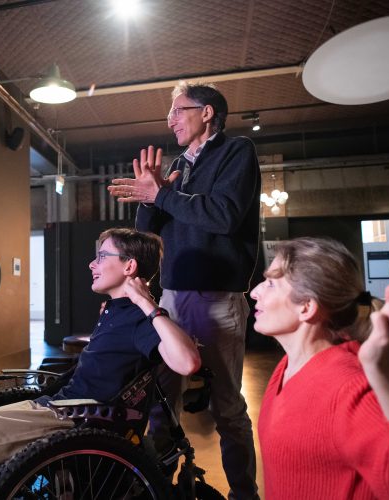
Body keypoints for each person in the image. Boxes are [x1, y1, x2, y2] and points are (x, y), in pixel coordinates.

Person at [0, 228, 201, 500]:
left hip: (78, 418)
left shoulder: (139, 318)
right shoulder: (115, 311)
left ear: (129, 266)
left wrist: (147, 303)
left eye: (102, 256)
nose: (92, 264)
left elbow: (188, 362)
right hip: (60, 406)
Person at [108, 81, 260, 499]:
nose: (170, 120)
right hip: (172, 299)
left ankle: (244, 494)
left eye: (178, 110)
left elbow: (224, 215)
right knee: (161, 401)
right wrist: (149, 198)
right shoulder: (179, 166)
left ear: (206, 113)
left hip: (218, 299)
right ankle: (161, 488)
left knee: (227, 408)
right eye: (169, 114)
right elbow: (148, 233)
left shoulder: (237, 151)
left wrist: (162, 193)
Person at [251, 237, 389, 499]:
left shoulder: (349, 390)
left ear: (306, 307)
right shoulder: (288, 366)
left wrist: (387, 374)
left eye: (271, 283)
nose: (255, 292)